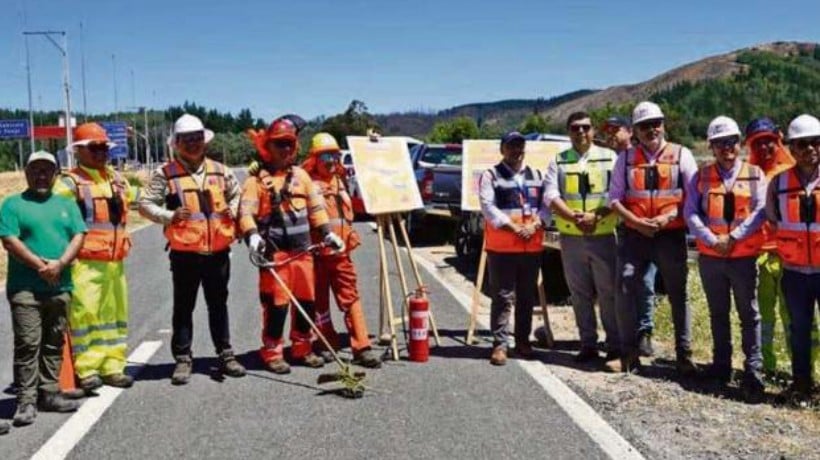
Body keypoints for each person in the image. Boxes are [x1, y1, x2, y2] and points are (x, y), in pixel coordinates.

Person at [138, 114, 246, 385]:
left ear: (204, 141)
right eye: (187, 140)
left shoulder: (221, 171)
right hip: (185, 253)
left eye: (197, 139)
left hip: (218, 250)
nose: (193, 144)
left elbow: (238, 195)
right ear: (177, 143)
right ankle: (183, 359)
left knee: (218, 304)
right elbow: (145, 204)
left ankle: (225, 353)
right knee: (184, 307)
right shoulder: (165, 174)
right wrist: (169, 216)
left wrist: (231, 212)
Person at [239, 117, 344, 374]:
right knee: (276, 306)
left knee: (306, 302)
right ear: (268, 146)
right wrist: (252, 235)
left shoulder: (302, 177)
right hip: (275, 256)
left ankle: (302, 348)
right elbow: (245, 212)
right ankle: (272, 351)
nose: (285, 149)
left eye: (289, 143)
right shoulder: (256, 181)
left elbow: (316, 209)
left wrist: (328, 233)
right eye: (279, 144)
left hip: (303, 253)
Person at [608, 101, 698, 374]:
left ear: (663, 124)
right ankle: (628, 354)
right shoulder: (625, 159)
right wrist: (635, 221)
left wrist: (668, 217)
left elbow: (694, 197)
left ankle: (684, 355)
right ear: (635, 130)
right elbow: (614, 198)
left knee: (678, 293)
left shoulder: (682, 155)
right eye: (645, 126)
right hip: (636, 235)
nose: (652, 130)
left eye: (656, 123)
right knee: (625, 286)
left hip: (669, 235)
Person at [0, 151, 86, 427]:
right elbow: (10, 241)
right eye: (35, 170)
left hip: (60, 284)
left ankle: (49, 393)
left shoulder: (66, 203)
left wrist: (60, 264)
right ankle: (26, 400)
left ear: (55, 174)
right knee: (28, 343)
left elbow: (79, 235)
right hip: (26, 287)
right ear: (26, 173)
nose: (41, 175)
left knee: (54, 341)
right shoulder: (13, 204)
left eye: (47, 170)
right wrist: (42, 266)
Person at [685, 116, 766, 402]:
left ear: (739, 144)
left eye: (731, 141)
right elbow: (691, 213)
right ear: (711, 146)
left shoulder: (756, 174)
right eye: (719, 143)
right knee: (718, 314)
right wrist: (710, 239)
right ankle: (721, 367)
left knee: (749, 316)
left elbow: (760, 211)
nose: (726, 148)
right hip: (711, 257)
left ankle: (753, 372)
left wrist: (733, 238)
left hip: (743, 256)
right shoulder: (701, 176)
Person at [53, 123, 137, 391]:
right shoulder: (68, 183)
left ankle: (113, 366)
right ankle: (87, 369)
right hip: (84, 263)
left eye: (103, 147)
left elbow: (140, 201)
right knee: (85, 316)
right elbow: (56, 221)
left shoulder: (116, 180)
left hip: (114, 263)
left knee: (114, 315)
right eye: (94, 147)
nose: (101, 152)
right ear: (78, 151)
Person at [744, 117, 820, 375]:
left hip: (792, 260)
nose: (764, 148)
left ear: (780, 141)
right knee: (764, 319)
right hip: (761, 257)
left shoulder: (792, 168)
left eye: (769, 142)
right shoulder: (749, 173)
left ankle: (809, 370)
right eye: (758, 144)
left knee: (798, 321)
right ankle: (768, 366)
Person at [300, 132, 382, 368]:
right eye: (325, 155)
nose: (331, 160)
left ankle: (362, 347)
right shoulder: (305, 182)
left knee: (351, 299)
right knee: (319, 303)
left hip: (340, 254)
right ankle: (325, 342)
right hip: (316, 254)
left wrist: (372, 145)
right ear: (314, 158)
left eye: (334, 155)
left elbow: (371, 169)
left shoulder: (340, 179)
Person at [544, 112, 619, 365]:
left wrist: (595, 217)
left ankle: (614, 345)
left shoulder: (610, 157)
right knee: (579, 294)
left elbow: (617, 193)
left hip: (604, 234)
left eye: (586, 127)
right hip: (572, 237)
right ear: (568, 131)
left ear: (593, 130)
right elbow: (551, 194)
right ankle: (588, 344)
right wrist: (575, 218)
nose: (581, 132)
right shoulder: (559, 160)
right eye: (575, 128)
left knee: (609, 293)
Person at [479, 131, 548, 366]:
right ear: (502, 149)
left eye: (520, 146)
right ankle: (500, 344)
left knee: (527, 297)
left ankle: (522, 341)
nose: (516, 151)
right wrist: (513, 227)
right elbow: (488, 206)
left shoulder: (537, 174)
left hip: (531, 246)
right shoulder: (491, 175)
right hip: (502, 247)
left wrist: (536, 224)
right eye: (511, 146)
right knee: (502, 296)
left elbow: (547, 205)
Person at [766, 114, 820, 404]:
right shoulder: (778, 184)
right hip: (795, 273)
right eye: (802, 144)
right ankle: (802, 385)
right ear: (792, 148)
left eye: (815, 142)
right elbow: (774, 222)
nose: (810, 149)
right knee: (799, 331)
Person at [602, 116, 658, 357]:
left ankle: (644, 332)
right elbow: (612, 195)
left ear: (629, 131)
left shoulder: (642, 155)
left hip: (645, 228)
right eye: (607, 132)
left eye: (615, 130)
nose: (611, 135)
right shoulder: (611, 159)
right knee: (624, 284)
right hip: (621, 229)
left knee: (645, 282)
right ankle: (623, 337)